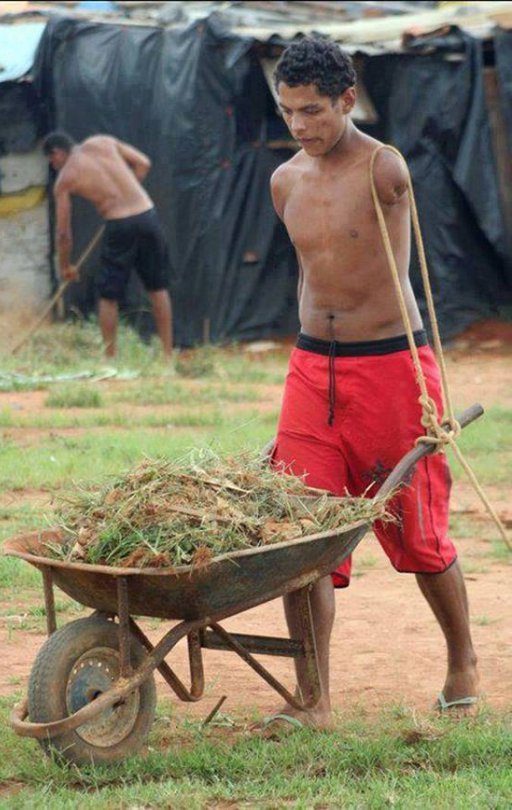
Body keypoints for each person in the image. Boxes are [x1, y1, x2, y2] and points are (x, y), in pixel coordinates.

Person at [269, 37, 479, 730]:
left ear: (347, 101)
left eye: (314, 111)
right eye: (289, 111)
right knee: (299, 538)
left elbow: (404, 232)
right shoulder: (284, 181)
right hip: (311, 372)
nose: (301, 126)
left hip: (393, 367)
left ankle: (462, 665)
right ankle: (315, 701)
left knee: (419, 536)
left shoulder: (384, 169)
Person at [43, 132, 173, 361]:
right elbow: (143, 163)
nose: (53, 167)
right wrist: (127, 193)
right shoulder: (102, 141)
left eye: (51, 161)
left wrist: (65, 266)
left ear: (57, 152)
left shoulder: (66, 178)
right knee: (157, 288)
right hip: (147, 216)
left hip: (119, 225)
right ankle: (168, 355)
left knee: (108, 296)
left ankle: (110, 359)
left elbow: (63, 233)